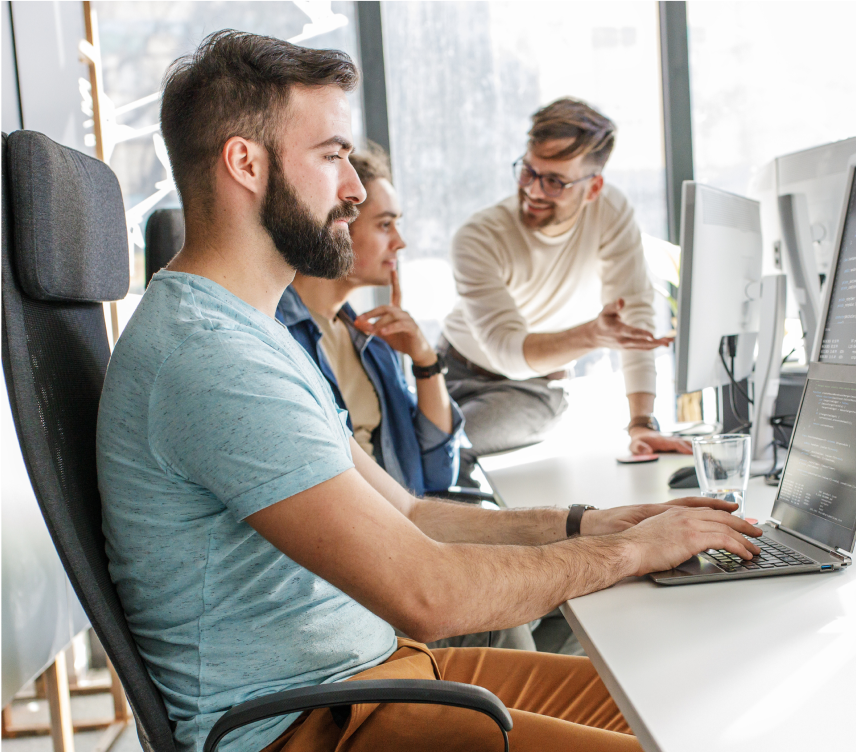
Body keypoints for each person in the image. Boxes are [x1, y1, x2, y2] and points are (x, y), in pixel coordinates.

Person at [97, 31, 761, 752]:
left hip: (374, 678)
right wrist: (635, 554)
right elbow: (430, 595)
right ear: (245, 163)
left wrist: (597, 524)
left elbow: (411, 513)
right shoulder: (210, 357)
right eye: (330, 156)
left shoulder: (253, 336)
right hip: (309, 726)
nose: (352, 190)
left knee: (688, 705)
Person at [439, 98, 688, 477]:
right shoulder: (479, 236)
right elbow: (505, 349)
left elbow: (633, 316)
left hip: (533, 389)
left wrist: (641, 421)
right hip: (448, 368)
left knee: (440, 449)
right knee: (396, 446)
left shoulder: (610, 211)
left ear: (593, 188)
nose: (534, 192)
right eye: (528, 172)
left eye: (555, 181)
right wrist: (593, 336)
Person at [276, 143, 466, 496]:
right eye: (385, 225)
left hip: (405, 525)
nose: (400, 242)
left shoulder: (372, 340)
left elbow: (440, 473)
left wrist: (425, 361)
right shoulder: (277, 335)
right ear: (340, 223)